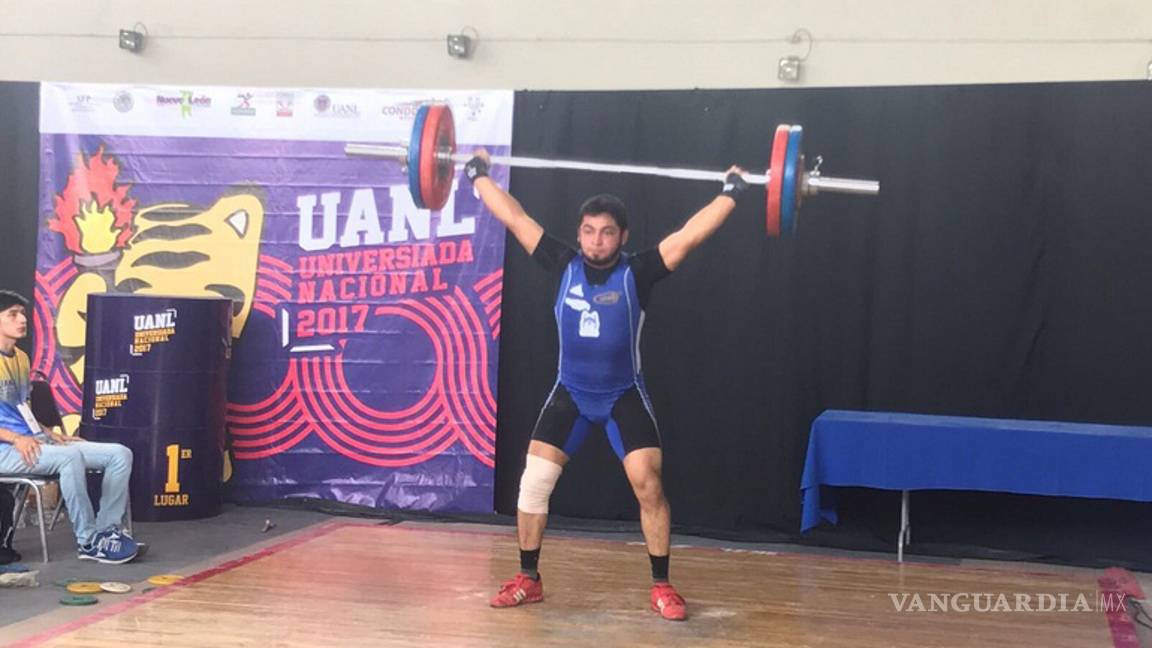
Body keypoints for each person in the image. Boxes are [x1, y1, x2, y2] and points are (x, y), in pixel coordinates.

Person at [465, 151, 748, 621]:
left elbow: (690, 235)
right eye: (589, 231)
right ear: (579, 234)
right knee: (533, 482)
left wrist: (732, 193)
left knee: (648, 484)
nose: (597, 240)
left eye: (607, 232)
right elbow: (514, 217)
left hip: (622, 396)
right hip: (570, 394)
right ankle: (529, 579)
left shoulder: (639, 272)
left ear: (623, 236)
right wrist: (477, 175)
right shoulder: (562, 263)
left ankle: (662, 586)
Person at [0, 290, 140, 564]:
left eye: (23, 314)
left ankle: (107, 532)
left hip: (33, 442)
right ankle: (88, 541)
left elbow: (20, 409)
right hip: (7, 448)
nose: (22, 320)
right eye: (12, 315)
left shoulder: (21, 358)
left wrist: (49, 433)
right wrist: (16, 438)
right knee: (70, 458)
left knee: (120, 454)